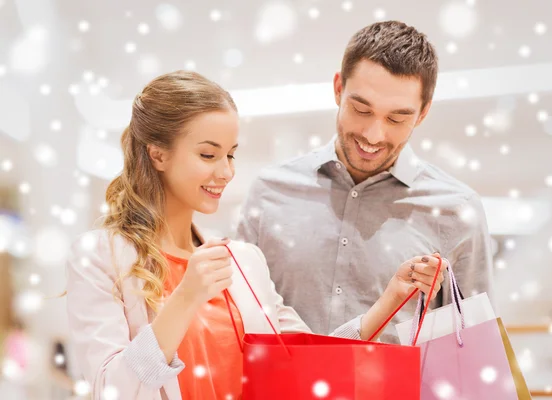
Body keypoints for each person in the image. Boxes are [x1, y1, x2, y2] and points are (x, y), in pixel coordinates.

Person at [65, 71, 447, 400]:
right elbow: (108, 389)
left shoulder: (242, 262)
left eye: (230, 154)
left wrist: (392, 298)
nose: (226, 171)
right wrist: (185, 299)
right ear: (158, 155)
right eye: (207, 155)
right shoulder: (101, 257)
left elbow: (305, 362)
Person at [236, 20, 494, 344]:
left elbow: (472, 347)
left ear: (423, 113)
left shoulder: (457, 211)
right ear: (338, 89)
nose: (373, 135)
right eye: (361, 109)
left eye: (396, 118)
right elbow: (238, 323)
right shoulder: (269, 193)